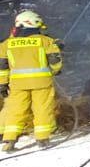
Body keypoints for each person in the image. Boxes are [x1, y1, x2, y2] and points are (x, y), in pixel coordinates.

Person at [0, 11, 63, 151]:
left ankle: (9, 139)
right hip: (42, 84)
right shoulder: (45, 41)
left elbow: (2, 67)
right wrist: (56, 70)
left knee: (15, 110)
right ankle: (42, 139)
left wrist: (2, 84)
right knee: (42, 109)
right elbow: (55, 61)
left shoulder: (6, 44)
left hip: (17, 85)